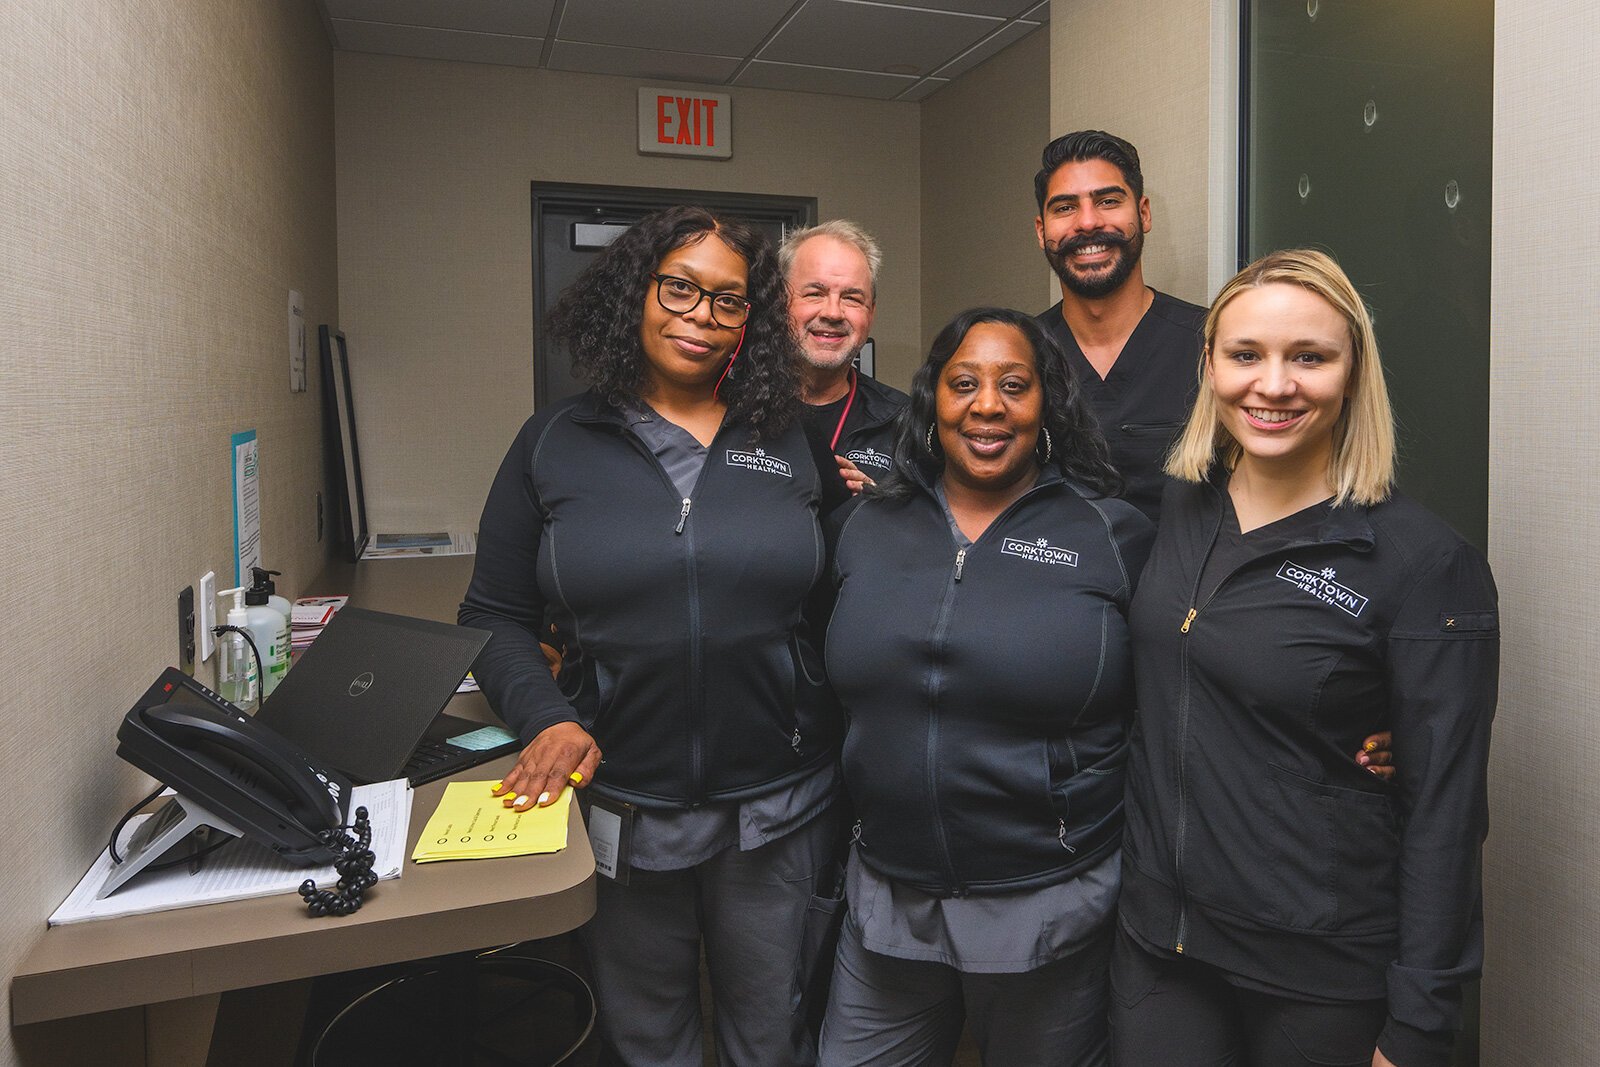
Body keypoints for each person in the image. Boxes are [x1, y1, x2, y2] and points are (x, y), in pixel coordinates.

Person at [459, 206, 842, 1067]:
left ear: (750, 321)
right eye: (679, 289)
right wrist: (548, 716)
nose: (701, 316)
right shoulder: (553, 444)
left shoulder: (790, 438)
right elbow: (491, 614)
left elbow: (842, 596)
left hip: (777, 805)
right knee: (644, 1039)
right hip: (621, 799)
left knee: (773, 1036)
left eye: (729, 300)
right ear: (636, 292)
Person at [1113, 249, 1498, 1067]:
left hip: (1320, 969)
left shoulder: (1424, 562)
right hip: (1162, 944)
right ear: (1209, 365)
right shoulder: (1183, 503)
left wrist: (1420, 1023)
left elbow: (1447, 812)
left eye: (1310, 357)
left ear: (1353, 374)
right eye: (1246, 354)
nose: (1274, 384)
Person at [817, 307, 1149, 1066]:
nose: (988, 405)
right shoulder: (865, 526)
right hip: (889, 897)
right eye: (964, 383)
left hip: (1049, 903)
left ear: (1048, 405)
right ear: (932, 400)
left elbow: (1181, 684)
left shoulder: (1111, 535)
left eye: (1014, 385)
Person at [1033, 130, 1206, 523]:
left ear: (1143, 214)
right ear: (1042, 231)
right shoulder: (1021, 355)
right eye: (1065, 208)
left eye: (1108, 201)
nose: (1088, 222)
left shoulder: (1212, 345)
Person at [781, 220, 909, 492]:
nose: (833, 313)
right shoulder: (730, 406)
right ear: (780, 303)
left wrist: (879, 506)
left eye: (852, 298)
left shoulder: (906, 422)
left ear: (871, 313)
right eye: (815, 294)